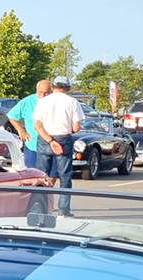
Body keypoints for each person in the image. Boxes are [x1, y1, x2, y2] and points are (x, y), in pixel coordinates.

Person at [32, 76, 85, 217]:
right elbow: (76, 127)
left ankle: (40, 208)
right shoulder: (73, 102)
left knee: (42, 176)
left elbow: (37, 125)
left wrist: (50, 141)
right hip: (64, 139)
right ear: (68, 88)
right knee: (65, 176)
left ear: (53, 87)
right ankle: (63, 210)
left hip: (45, 139)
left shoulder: (43, 102)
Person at [7, 80, 50, 169]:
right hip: (32, 143)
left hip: (50, 143)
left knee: (51, 174)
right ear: (36, 90)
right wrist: (21, 130)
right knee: (32, 171)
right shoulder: (28, 101)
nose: (42, 95)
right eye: (40, 92)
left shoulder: (54, 102)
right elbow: (11, 116)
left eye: (46, 93)